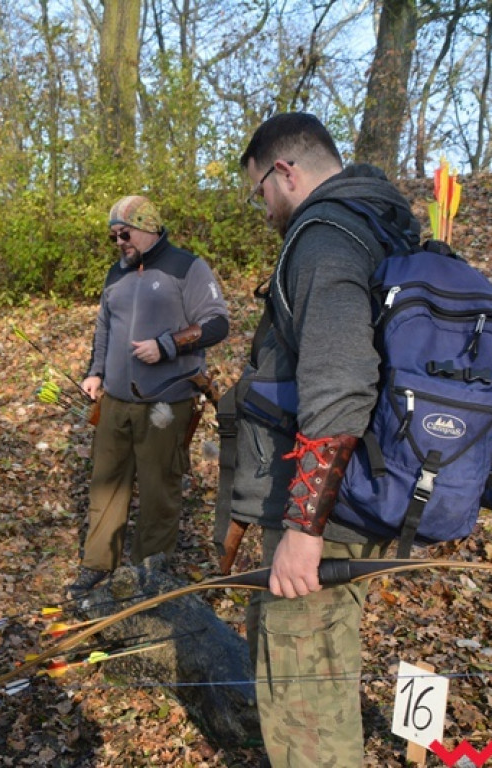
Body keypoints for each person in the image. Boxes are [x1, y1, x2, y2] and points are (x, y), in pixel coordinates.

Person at [228, 113, 421, 766]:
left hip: (324, 511)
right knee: (315, 674)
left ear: (285, 171)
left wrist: (304, 529)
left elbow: (340, 384)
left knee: (305, 702)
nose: (263, 210)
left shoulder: (326, 237)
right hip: (357, 490)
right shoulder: (380, 221)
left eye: (260, 191)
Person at [67, 195, 229, 595]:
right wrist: (95, 372)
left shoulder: (186, 267)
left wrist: (167, 345)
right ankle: (98, 564)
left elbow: (217, 323)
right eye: (113, 237)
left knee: (159, 490)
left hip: (166, 404)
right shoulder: (116, 274)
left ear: (149, 227)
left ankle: (149, 572)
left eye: (125, 234)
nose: (119, 243)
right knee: (106, 484)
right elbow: (104, 327)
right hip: (115, 401)